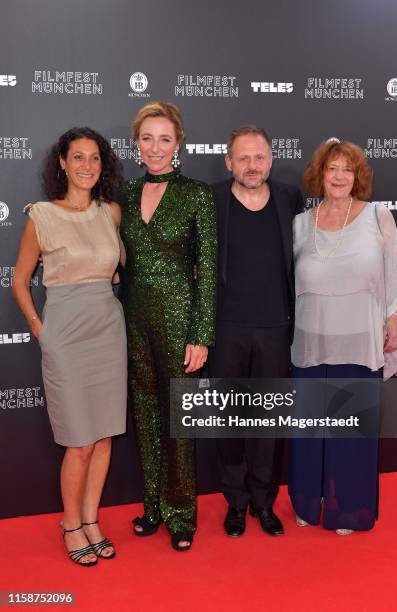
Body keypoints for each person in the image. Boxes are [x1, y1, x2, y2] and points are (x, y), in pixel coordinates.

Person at [12, 127, 127, 566]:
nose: (87, 166)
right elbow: (20, 283)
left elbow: (116, 269)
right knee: (79, 441)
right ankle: (70, 523)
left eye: (94, 158)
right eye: (78, 157)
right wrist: (41, 330)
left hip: (107, 329)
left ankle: (92, 520)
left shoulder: (110, 212)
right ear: (61, 162)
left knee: (103, 439)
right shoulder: (40, 215)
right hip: (65, 332)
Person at [288, 138, 397, 534]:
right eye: (331, 169)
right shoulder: (301, 224)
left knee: (351, 430)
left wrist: (392, 317)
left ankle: (349, 508)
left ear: (357, 177)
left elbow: (394, 271)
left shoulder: (378, 216)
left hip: (358, 339)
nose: (339, 176)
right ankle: (309, 499)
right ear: (319, 175)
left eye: (347, 169)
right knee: (311, 428)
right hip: (311, 341)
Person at [119, 101, 217, 552]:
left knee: (179, 421)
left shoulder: (196, 194)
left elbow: (209, 270)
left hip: (180, 323)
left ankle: (182, 514)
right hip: (133, 320)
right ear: (136, 144)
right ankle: (153, 507)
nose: (155, 148)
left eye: (164, 139)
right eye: (147, 138)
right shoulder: (122, 194)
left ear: (178, 143)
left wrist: (201, 334)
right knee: (145, 416)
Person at [207, 125, 303, 537]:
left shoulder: (289, 199)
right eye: (242, 158)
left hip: (276, 328)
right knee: (228, 420)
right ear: (229, 162)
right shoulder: (210, 200)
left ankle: (263, 502)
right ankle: (235, 502)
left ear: (271, 160)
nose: (251, 165)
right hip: (225, 328)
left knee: (269, 422)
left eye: (259, 157)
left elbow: (320, 247)